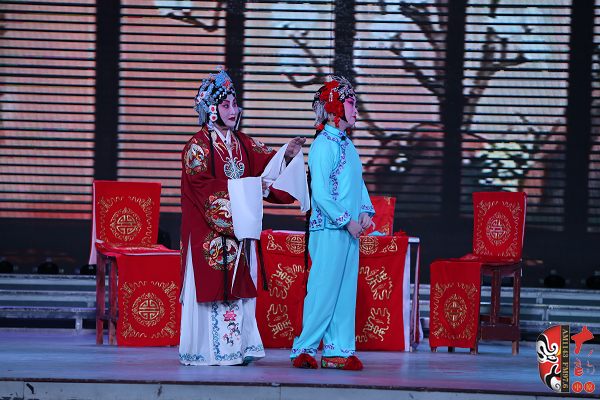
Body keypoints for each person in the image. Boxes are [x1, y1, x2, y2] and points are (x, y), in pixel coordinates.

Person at [179, 67, 305, 366]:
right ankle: (208, 352)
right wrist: (248, 188)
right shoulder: (196, 148)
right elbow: (203, 189)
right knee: (214, 289)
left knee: (239, 290)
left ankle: (240, 348)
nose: (233, 111)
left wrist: (287, 154)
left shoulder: (244, 143)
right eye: (226, 105)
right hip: (208, 234)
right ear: (211, 109)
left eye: (235, 104)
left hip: (237, 233)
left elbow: (269, 167)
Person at [290, 76, 374, 370]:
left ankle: (337, 350)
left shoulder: (347, 145)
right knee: (323, 290)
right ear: (335, 107)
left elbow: (358, 183)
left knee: (344, 292)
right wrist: (346, 221)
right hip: (329, 229)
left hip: (349, 230)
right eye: (350, 103)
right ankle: (304, 347)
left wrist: (365, 212)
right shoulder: (322, 145)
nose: (355, 110)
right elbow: (321, 194)